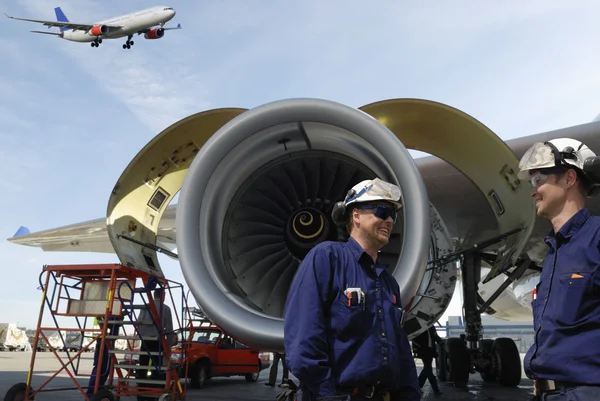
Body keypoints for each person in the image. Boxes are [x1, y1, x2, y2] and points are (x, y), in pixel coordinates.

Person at [284, 178, 421, 401]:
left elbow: (402, 351)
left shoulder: (389, 283)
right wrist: (326, 395)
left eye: (392, 215)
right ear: (356, 215)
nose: (389, 220)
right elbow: (304, 340)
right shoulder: (327, 258)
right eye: (382, 211)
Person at [517, 138, 600, 400]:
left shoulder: (596, 238)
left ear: (569, 178)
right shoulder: (554, 252)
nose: (533, 190)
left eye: (538, 179)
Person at [136, 287, 174, 395]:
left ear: (154, 295)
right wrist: (169, 345)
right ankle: (156, 386)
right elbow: (169, 328)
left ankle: (141, 386)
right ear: (163, 296)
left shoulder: (145, 307)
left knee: (143, 363)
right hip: (157, 341)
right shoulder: (165, 308)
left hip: (145, 340)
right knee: (157, 364)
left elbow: (139, 322)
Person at [411, 326, 442, 396]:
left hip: (430, 351)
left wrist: (440, 341)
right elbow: (414, 339)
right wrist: (415, 350)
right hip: (423, 351)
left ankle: (418, 387)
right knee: (429, 370)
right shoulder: (419, 328)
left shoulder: (431, 327)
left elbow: (435, 336)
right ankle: (436, 390)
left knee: (426, 370)